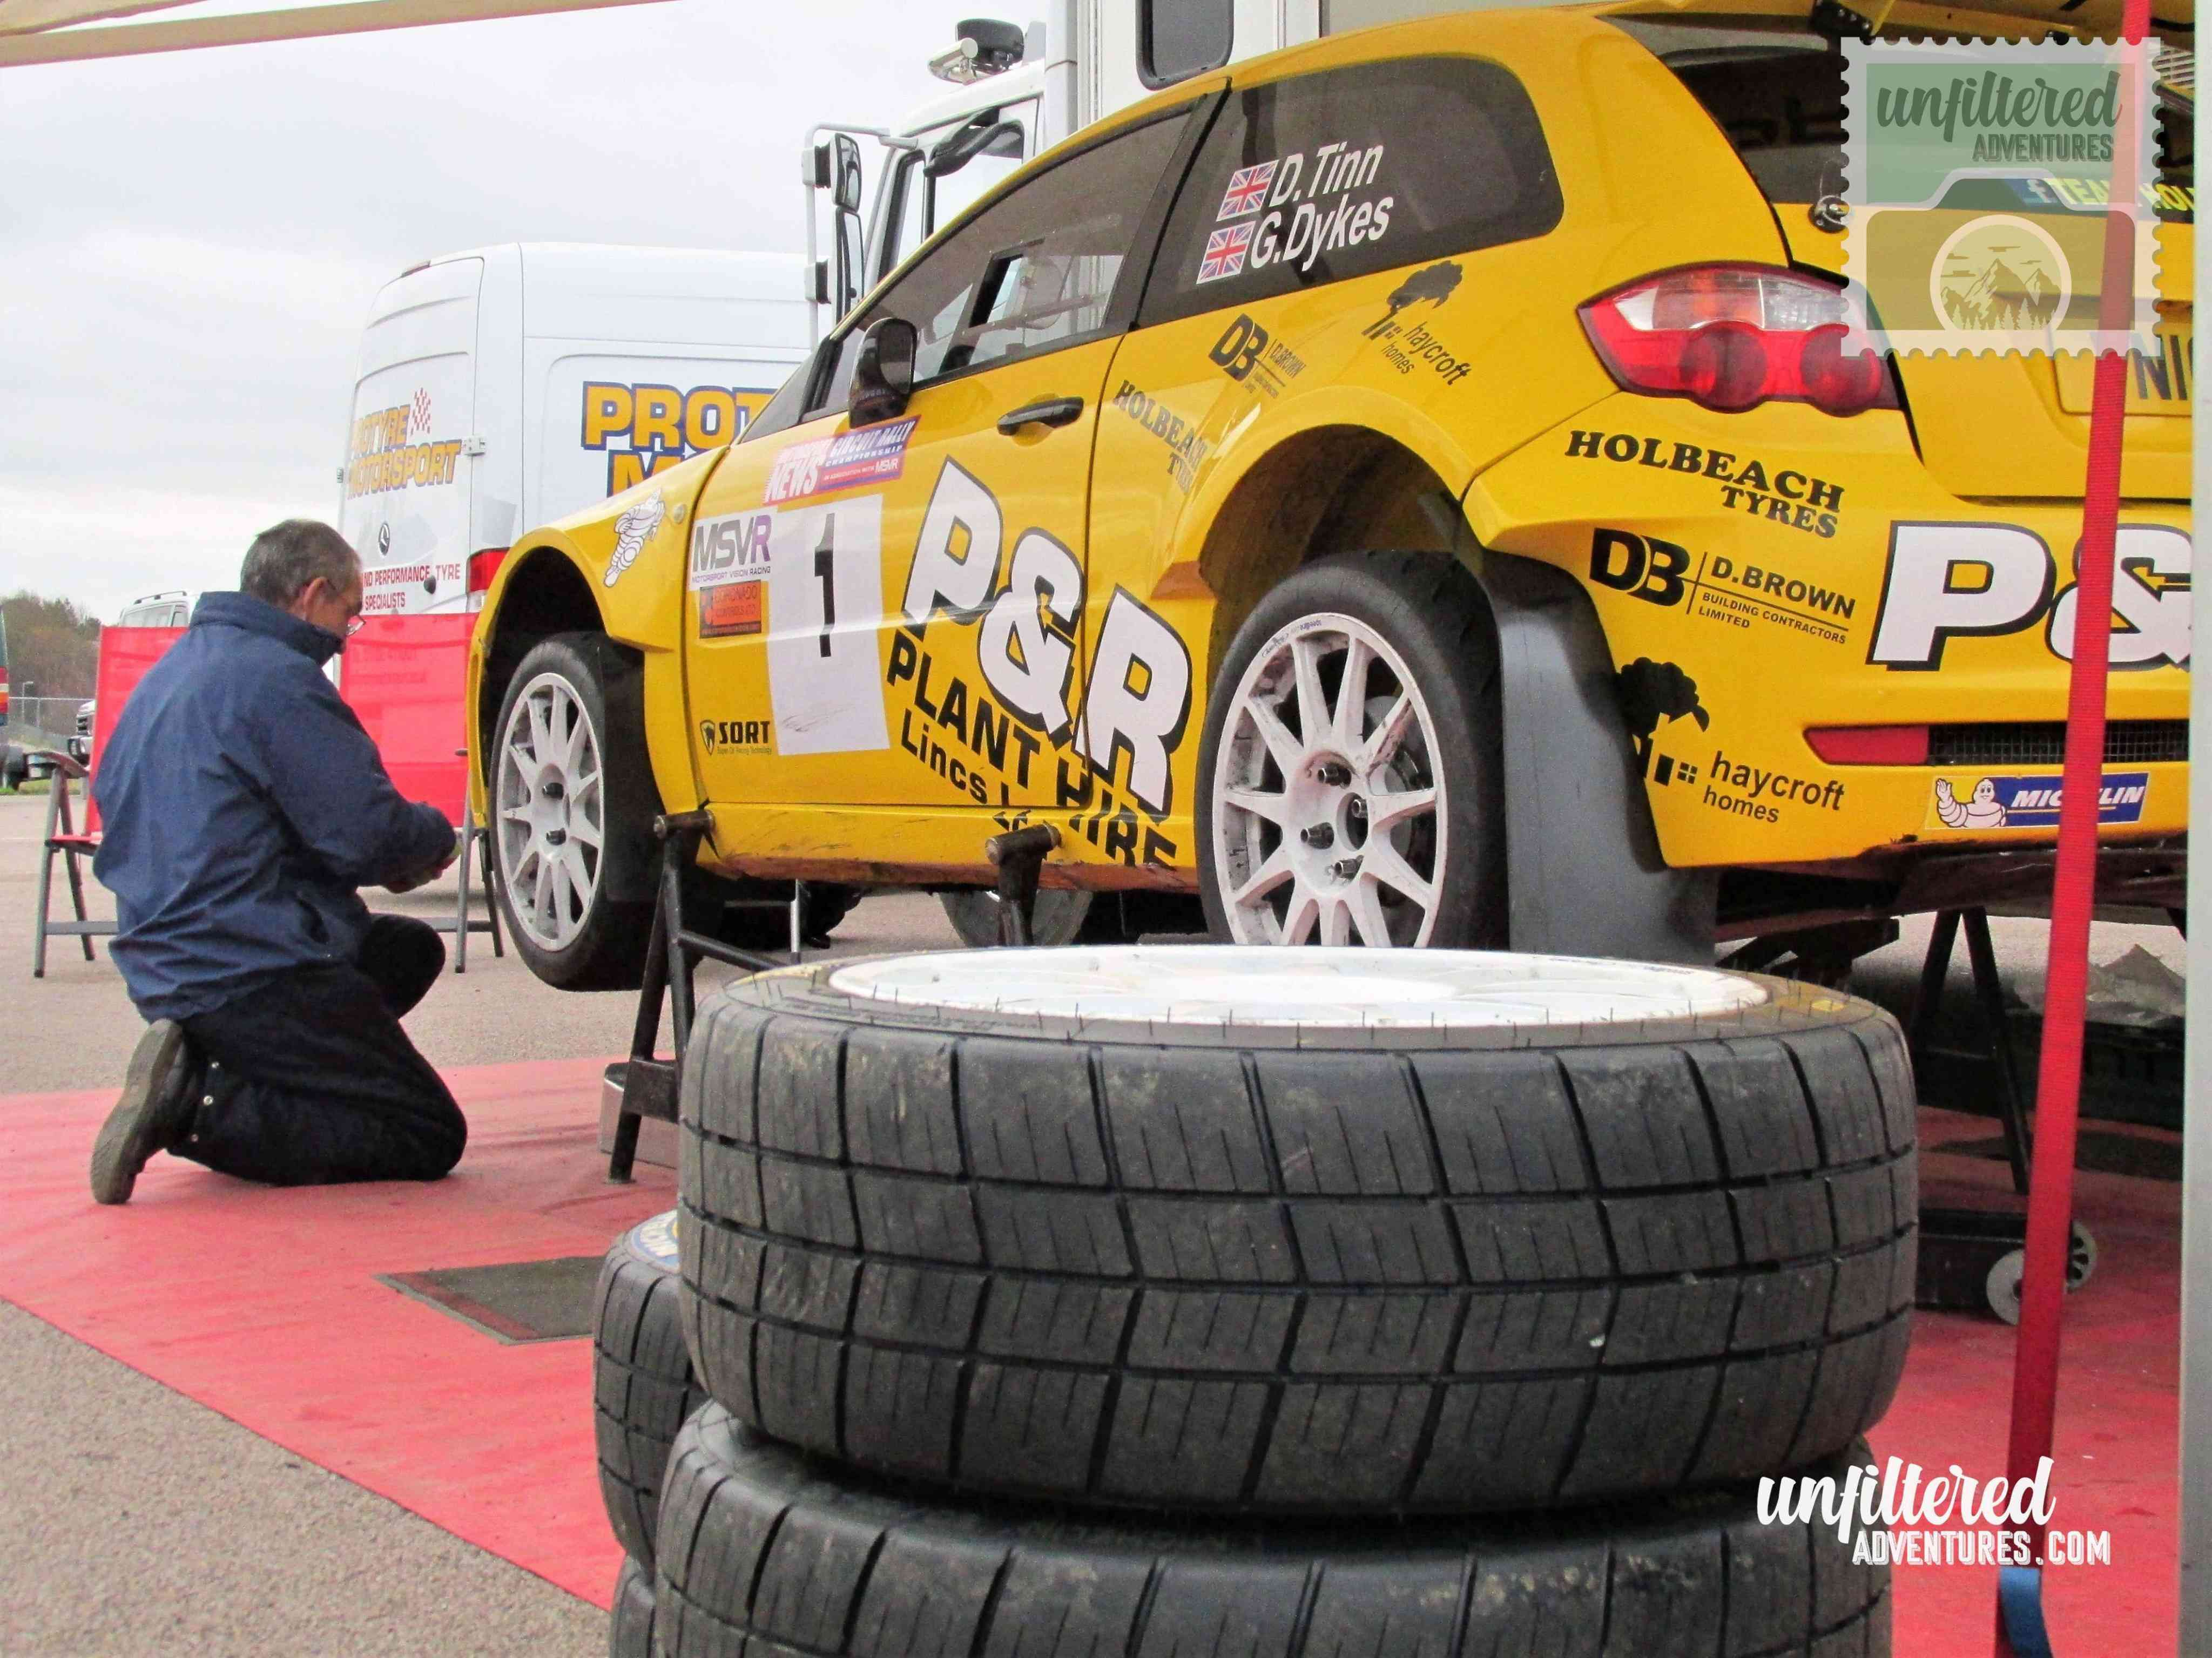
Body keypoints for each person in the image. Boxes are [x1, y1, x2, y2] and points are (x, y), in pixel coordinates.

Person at [89, 519, 466, 1204]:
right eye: (349, 613)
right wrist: (438, 837)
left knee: (406, 950)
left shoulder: (170, 676)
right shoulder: (278, 680)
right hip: (248, 966)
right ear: (312, 593)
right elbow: (366, 832)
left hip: (168, 957)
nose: (346, 635)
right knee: (426, 1131)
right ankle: (199, 1107)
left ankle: (230, 1064)